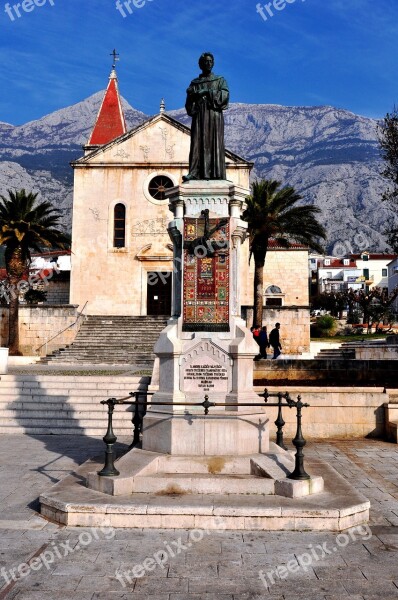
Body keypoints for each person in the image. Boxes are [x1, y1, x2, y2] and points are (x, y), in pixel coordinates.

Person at [183, 52, 229, 181]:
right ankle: (195, 172)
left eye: (210, 61)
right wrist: (193, 98)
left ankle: (215, 173)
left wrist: (207, 92)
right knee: (197, 142)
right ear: (200, 64)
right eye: (205, 62)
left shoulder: (220, 80)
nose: (208, 64)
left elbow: (224, 97)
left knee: (214, 142)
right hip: (199, 116)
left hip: (214, 116)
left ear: (213, 63)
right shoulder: (195, 83)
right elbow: (188, 104)